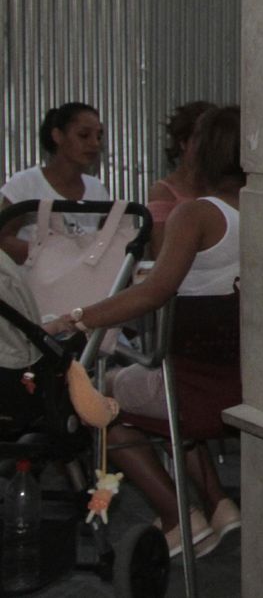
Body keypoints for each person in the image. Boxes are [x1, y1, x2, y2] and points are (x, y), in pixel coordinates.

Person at [45, 104, 243, 558]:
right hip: (248, 388)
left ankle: (177, 515)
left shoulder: (196, 214)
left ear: (204, 151)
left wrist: (78, 316)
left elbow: (154, 292)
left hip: (194, 392)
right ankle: (218, 504)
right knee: (160, 390)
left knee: (99, 396)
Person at [0, 102, 111, 263]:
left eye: (99, 136)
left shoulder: (97, 190)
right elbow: (3, 240)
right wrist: (49, 256)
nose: (95, 143)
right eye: (84, 135)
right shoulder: (25, 183)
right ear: (57, 136)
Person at [146, 101, 216, 252]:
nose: (209, 148)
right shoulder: (163, 192)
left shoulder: (223, 186)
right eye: (201, 140)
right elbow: (160, 251)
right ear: (183, 142)